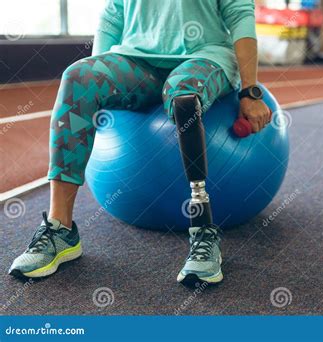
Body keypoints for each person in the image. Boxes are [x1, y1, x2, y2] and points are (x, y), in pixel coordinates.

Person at [9, 0, 270, 285]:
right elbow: (113, 16)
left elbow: (241, 15)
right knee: (78, 77)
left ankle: (203, 230)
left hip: (203, 58)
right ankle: (61, 230)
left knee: (184, 95)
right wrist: (100, 90)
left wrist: (250, 91)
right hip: (137, 61)